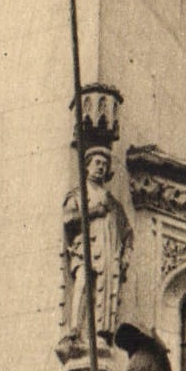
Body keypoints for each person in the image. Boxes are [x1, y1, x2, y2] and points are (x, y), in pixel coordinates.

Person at [62, 148, 133, 348]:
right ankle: (75, 330)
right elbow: (68, 218)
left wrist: (126, 254)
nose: (101, 168)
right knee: (83, 283)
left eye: (104, 164)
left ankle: (102, 333)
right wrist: (94, 212)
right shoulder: (78, 194)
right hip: (85, 249)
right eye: (97, 163)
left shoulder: (113, 203)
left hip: (108, 254)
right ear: (87, 167)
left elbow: (128, 231)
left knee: (104, 289)